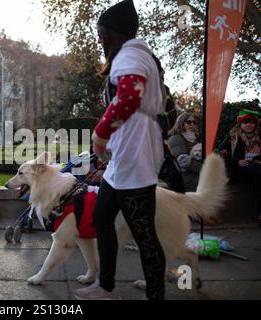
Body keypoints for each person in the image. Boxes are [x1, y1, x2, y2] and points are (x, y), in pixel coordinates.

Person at [74, 0, 166, 300]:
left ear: (113, 32)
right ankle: (106, 285)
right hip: (126, 157)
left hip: (135, 158)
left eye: (101, 32)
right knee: (102, 219)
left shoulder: (129, 56)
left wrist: (100, 136)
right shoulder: (138, 56)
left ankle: (156, 295)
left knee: (144, 235)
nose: (99, 39)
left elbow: (127, 100)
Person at [219, 109, 261, 226]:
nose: (248, 125)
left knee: (259, 180)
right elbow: (220, 157)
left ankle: (259, 215)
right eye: (245, 122)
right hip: (237, 172)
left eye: (251, 122)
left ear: (255, 124)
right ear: (240, 124)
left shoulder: (259, 138)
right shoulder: (232, 138)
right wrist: (236, 162)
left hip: (256, 171)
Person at [167, 112, 202, 192]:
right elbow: (183, 161)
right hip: (185, 180)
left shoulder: (193, 138)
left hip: (196, 177)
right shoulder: (176, 138)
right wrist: (205, 168)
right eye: (189, 122)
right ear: (181, 123)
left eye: (194, 122)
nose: (192, 124)